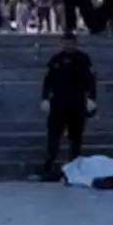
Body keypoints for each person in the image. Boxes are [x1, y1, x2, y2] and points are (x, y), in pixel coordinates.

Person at [39, 34, 97, 180]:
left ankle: (74, 169)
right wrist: (45, 98)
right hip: (58, 104)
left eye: (71, 43)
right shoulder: (56, 60)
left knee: (75, 139)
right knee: (54, 137)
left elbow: (91, 80)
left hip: (76, 104)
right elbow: (48, 80)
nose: (68, 46)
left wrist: (91, 98)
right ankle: (48, 167)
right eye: (66, 43)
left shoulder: (83, 59)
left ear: (75, 43)